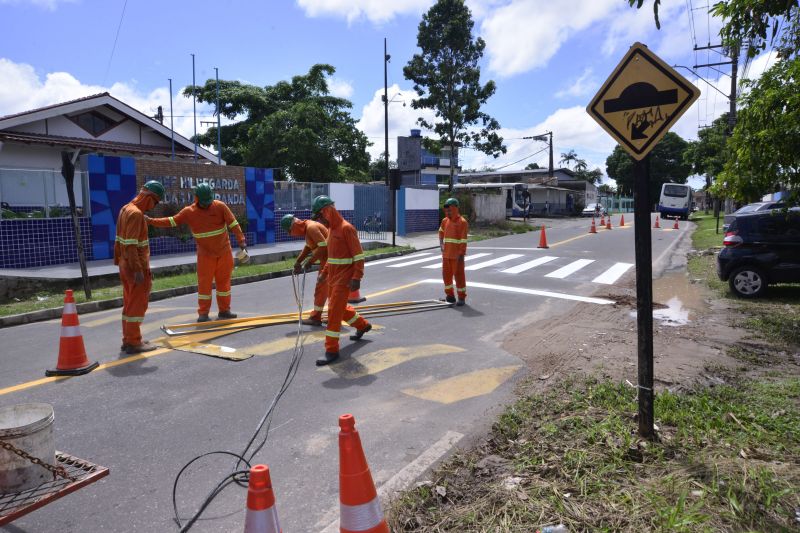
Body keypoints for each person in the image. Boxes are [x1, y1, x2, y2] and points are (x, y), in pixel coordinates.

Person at [146, 183, 246, 322]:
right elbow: (172, 221)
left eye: (208, 202)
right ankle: (203, 314)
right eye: (203, 203)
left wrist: (242, 242)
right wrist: (151, 221)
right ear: (196, 198)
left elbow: (233, 223)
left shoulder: (220, 206)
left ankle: (224, 311)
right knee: (204, 285)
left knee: (224, 285)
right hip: (205, 255)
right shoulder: (189, 212)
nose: (206, 205)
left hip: (224, 253)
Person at [311, 195, 371, 366]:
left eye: (321, 216)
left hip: (344, 280)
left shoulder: (347, 229)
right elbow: (332, 257)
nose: (320, 221)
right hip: (332, 278)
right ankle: (362, 325)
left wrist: (357, 277)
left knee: (333, 314)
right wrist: (323, 273)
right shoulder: (331, 231)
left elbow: (358, 256)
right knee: (341, 308)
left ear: (328, 211)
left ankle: (331, 350)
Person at [115, 181, 164, 354]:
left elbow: (121, 243)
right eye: (156, 202)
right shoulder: (135, 214)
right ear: (149, 197)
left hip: (124, 264)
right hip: (135, 267)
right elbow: (131, 245)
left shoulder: (125, 209)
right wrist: (137, 270)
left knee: (129, 305)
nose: (154, 206)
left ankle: (128, 339)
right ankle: (134, 342)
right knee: (137, 305)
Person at [281, 214, 329, 326]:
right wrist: (298, 261)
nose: (290, 235)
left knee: (322, 290)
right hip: (327, 260)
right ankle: (335, 315)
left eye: (289, 231)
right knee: (328, 290)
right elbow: (308, 247)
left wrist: (310, 262)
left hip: (330, 261)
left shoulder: (311, 228)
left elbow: (323, 246)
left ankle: (317, 317)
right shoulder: (308, 228)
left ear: (294, 226)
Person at [439, 197, 468, 306]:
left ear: (455, 209)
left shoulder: (462, 222)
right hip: (446, 255)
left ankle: (461, 297)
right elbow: (441, 232)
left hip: (457, 256)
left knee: (459, 276)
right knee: (446, 276)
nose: (448, 212)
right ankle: (450, 296)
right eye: (446, 210)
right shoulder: (445, 221)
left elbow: (463, 240)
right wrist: (441, 244)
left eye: (450, 210)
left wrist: (461, 254)